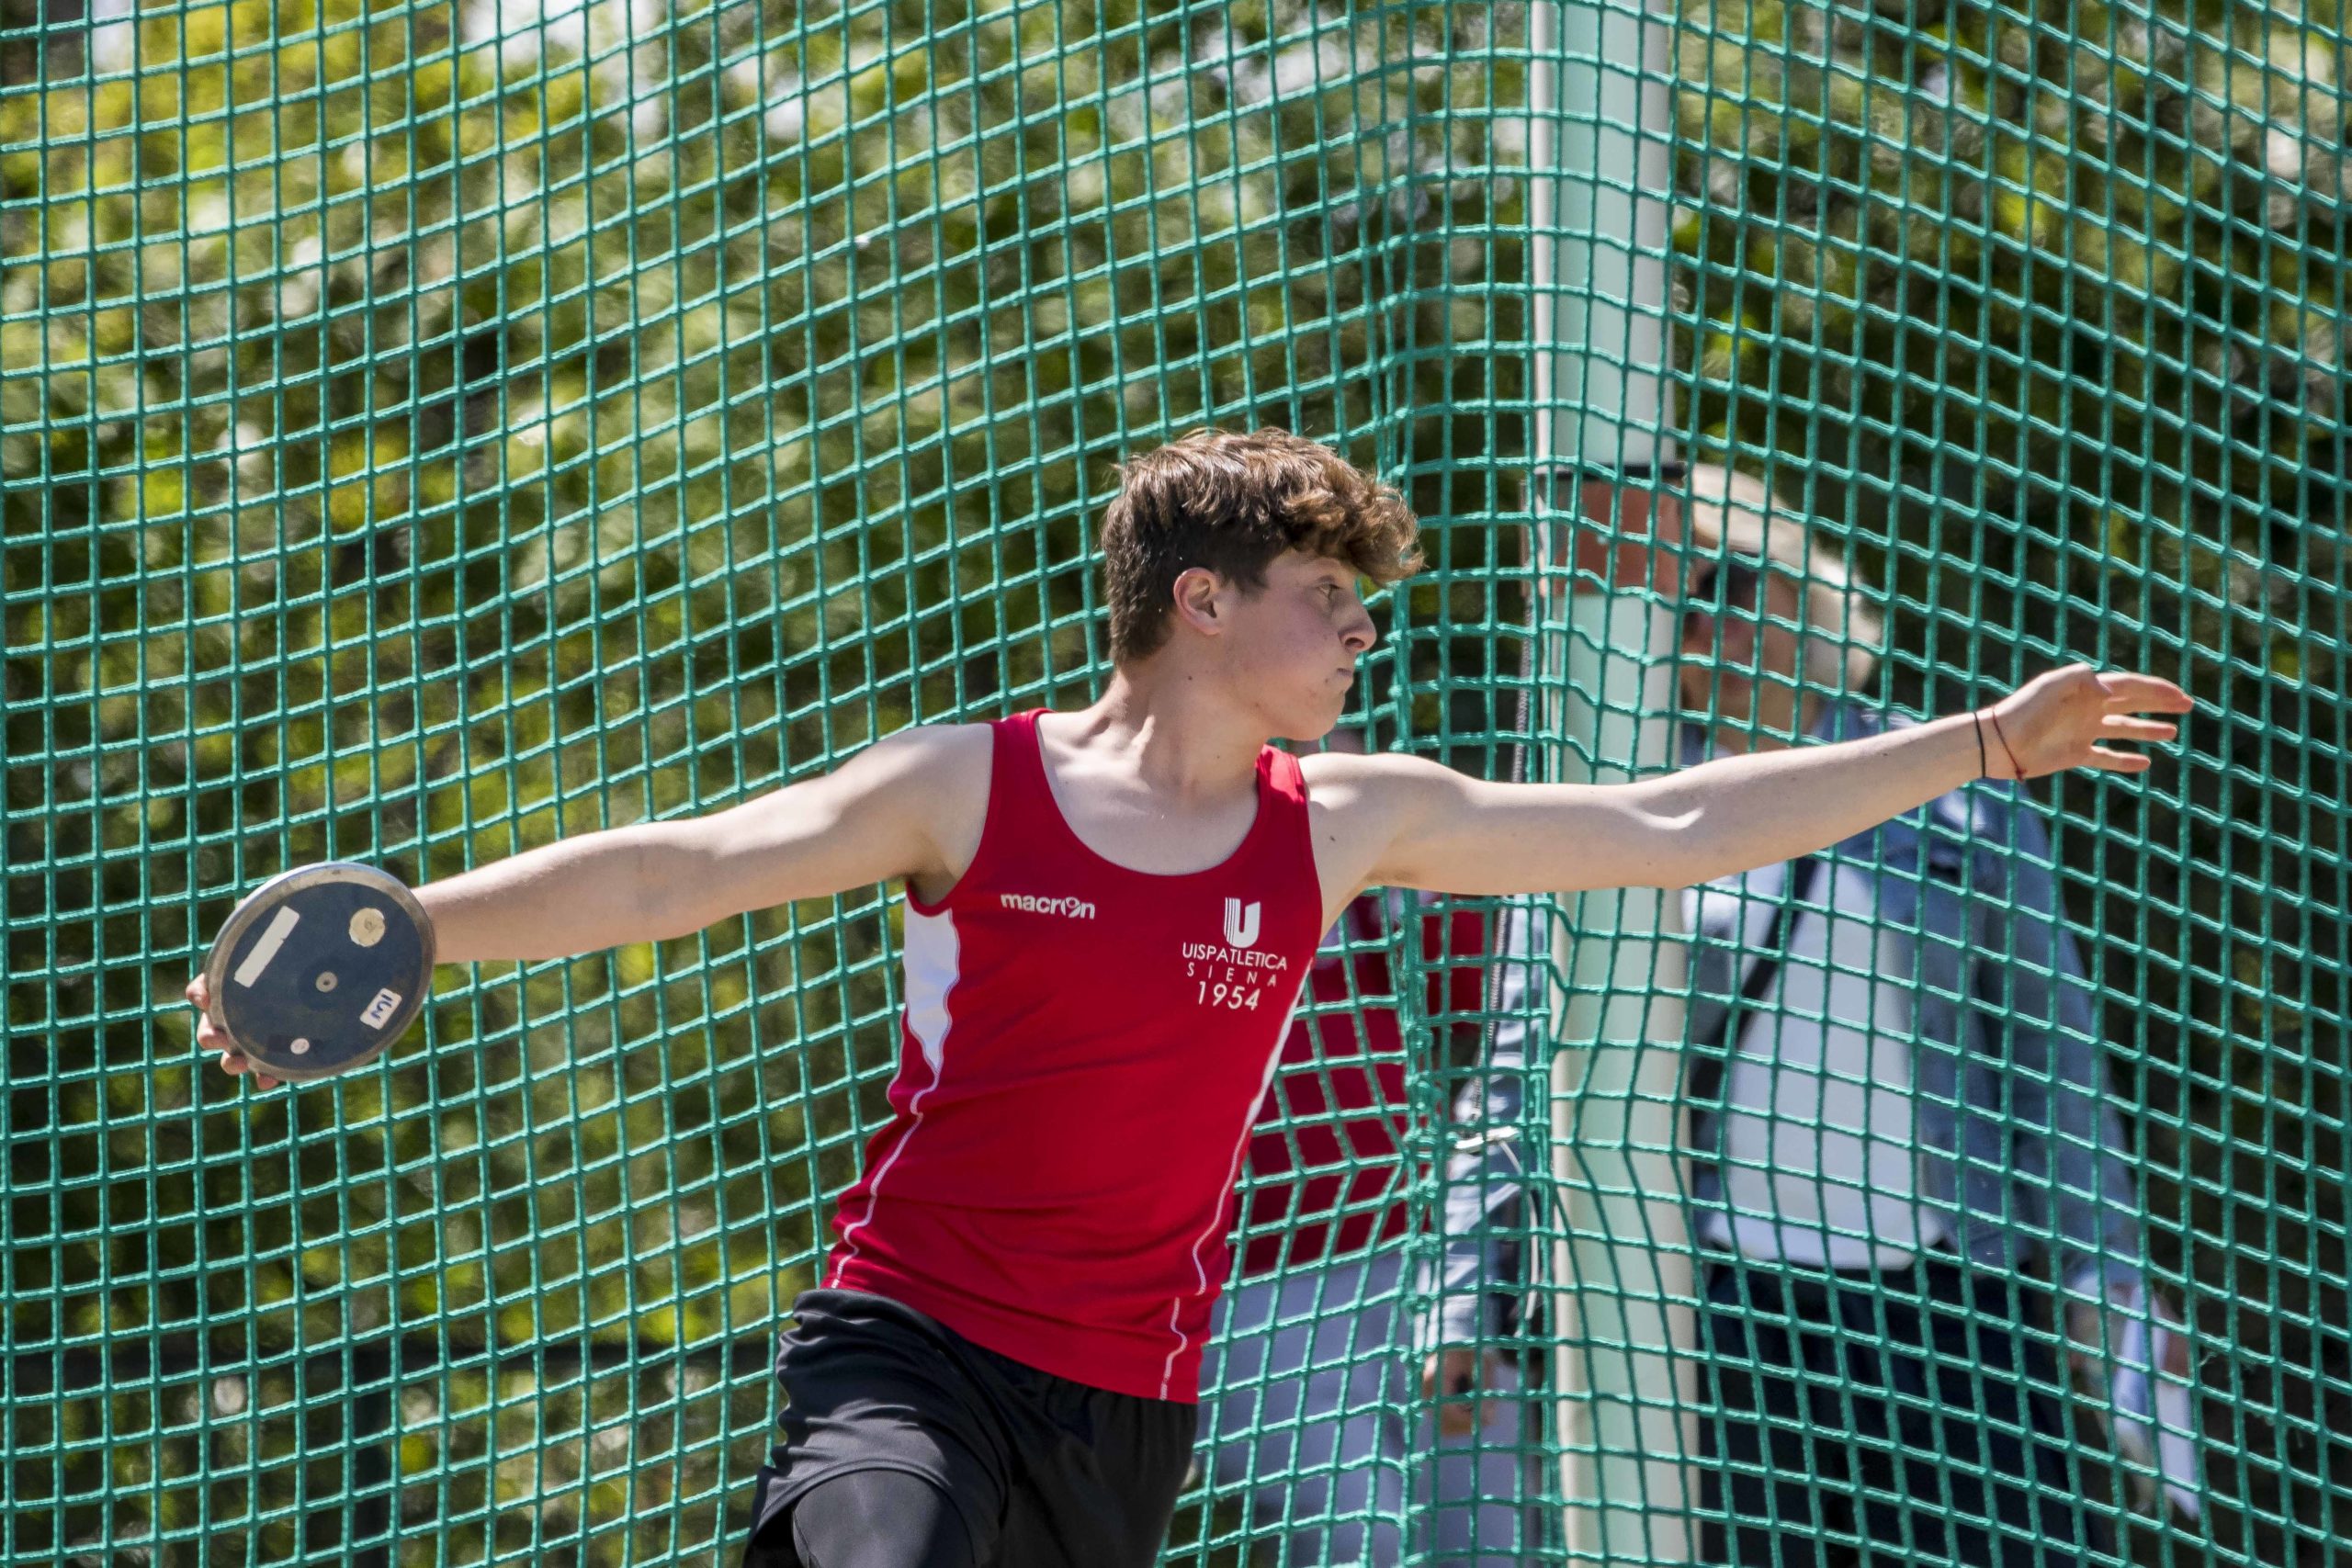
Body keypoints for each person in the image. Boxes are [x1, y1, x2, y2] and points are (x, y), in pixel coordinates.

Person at [188, 431, 2191, 1568]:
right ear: (1202, 604)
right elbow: (682, 865)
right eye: (1325, 593)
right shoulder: (963, 784)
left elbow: (1669, 813)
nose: (1354, 629)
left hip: (1124, 1403)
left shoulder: (1343, 821)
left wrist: (1976, 745)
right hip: (914, 1344)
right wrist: (414, 922)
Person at [1426, 464, 2199, 1568]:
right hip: (1716, 1315)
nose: (1703, 618)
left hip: (1954, 1310)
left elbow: (2052, 1060)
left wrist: (2105, 1279)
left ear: (1804, 588)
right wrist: (1464, 1297)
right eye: (1675, 598)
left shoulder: (1961, 792)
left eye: (1730, 581)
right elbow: (1517, 1067)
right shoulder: (1602, 799)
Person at [1201, 867, 1535, 1566]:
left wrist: (1400, 875)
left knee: (1487, 1541)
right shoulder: (1155, 860)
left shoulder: (1354, 864)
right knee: (1361, 1540)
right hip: (1250, 1294)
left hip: (1430, 1263)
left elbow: (1476, 989)